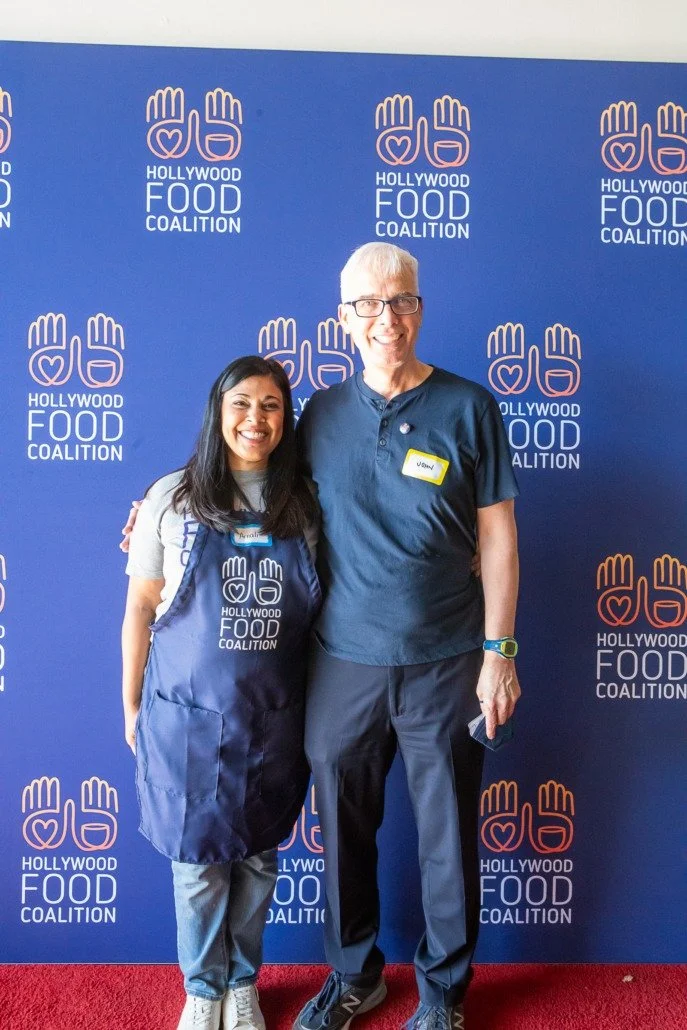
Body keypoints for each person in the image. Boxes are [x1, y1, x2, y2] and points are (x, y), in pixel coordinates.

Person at [291, 242, 521, 1030]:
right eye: (367, 304)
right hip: (341, 663)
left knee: (448, 838)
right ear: (342, 319)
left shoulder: (469, 408)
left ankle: (443, 995)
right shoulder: (317, 415)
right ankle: (355, 977)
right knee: (340, 829)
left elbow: (497, 540)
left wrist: (499, 654)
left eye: (400, 301)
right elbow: (245, 489)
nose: (385, 319)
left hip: (447, 662)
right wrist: (158, 517)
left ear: (419, 308)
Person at [121, 356, 320, 1030]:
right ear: (217, 412)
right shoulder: (171, 498)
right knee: (198, 862)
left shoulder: (306, 503)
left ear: (285, 419)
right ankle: (202, 989)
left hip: (273, 716)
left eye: (270, 405)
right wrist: (130, 705)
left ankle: (243, 983)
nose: (255, 419)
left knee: (259, 857)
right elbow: (140, 608)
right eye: (241, 404)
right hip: (185, 718)